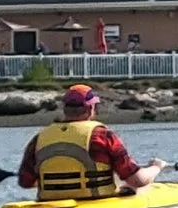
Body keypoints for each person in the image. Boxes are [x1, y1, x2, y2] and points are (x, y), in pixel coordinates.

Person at [16, 83, 165, 200]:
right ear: (90, 108)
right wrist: (156, 167)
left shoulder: (39, 138)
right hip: (97, 200)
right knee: (139, 188)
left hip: (50, 203)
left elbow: (25, 182)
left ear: (64, 109)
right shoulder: (102, 136)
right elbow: (137, 180)